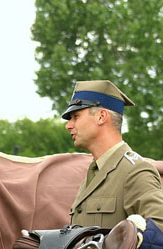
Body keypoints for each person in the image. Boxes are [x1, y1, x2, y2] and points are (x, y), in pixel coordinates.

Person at [63, 80, 163, 230]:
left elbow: (159, 227)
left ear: (101, 117)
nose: (68, 125)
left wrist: (121, 246)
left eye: (76, 116)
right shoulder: (94, 173)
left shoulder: (135, 171)